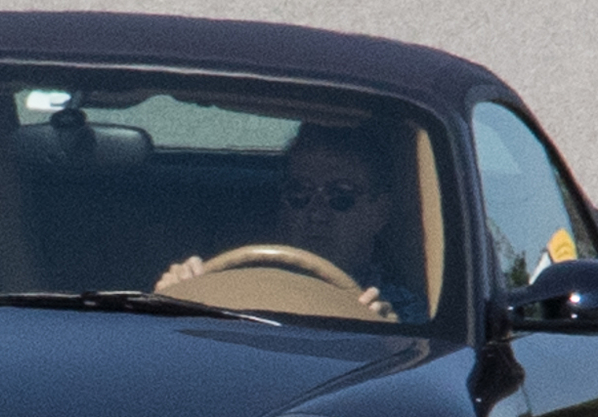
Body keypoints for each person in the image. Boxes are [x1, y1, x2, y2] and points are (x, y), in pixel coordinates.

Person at [155, 124, 422, 321]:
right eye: (300, 194)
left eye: (341, 196)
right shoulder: (230, 283)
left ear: (379, 213)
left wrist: (388, 336)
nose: (316, 213)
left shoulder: (405, 310)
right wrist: (166, 302)